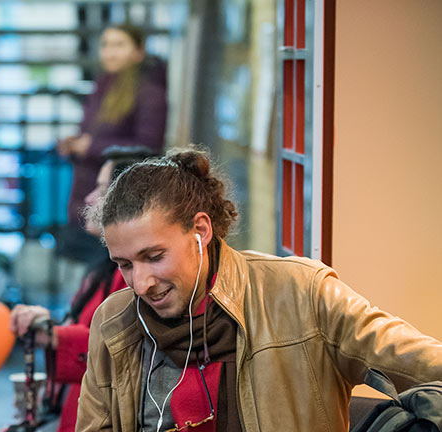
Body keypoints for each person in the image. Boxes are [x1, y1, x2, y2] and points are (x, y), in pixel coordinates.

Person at [76, 147, 442, 431]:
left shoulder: (301, 294)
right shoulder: (115, 320)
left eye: (154, 256)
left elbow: (424, 363)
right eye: (124, 264)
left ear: (201, 231)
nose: (141, 284)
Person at [10, 146, 158, 432]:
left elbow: (120, 347)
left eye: (101, 189)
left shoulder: (128, 275)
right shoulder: (104, 267)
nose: (90, 198)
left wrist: (52, 334)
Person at [57, 23, 167, 264]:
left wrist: (91, 147)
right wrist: (75, 146)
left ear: (139, 51)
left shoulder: (150, 93)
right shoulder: (103, 87)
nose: (110, 52)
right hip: (88, 197)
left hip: (118, 205)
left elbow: (148, 149)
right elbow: (94, 137)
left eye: (119, 45)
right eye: (105, 45)